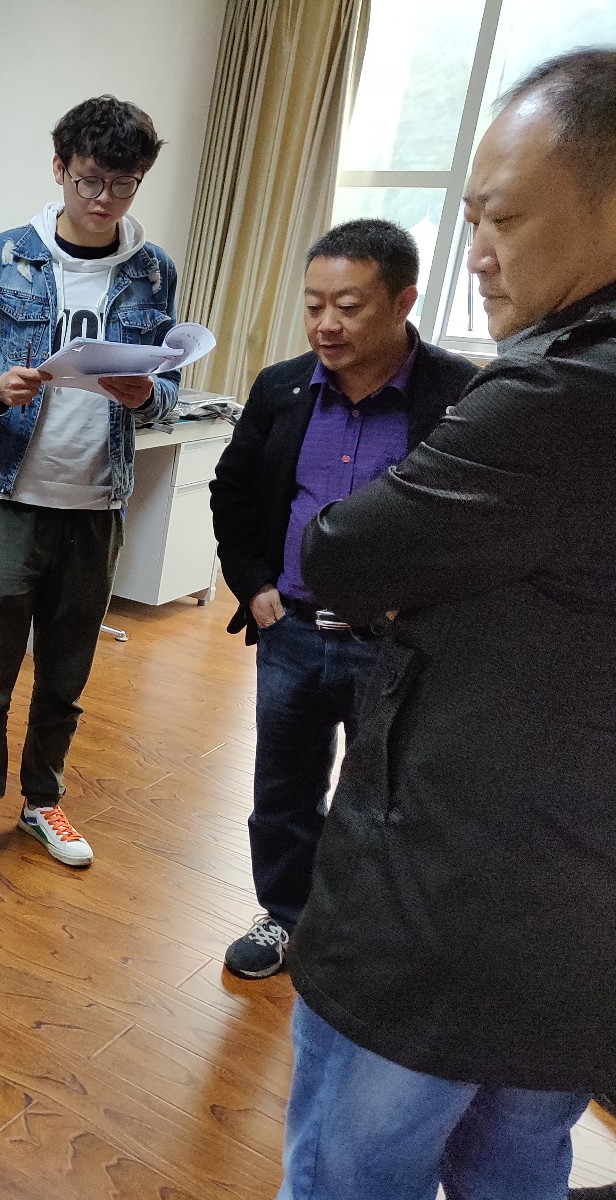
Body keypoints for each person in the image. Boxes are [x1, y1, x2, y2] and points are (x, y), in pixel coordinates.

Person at [277, 48, 616, 1200]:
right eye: (469, 219)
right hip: (575, 892)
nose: (477, 250)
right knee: (519, 1153)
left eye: (503, 219)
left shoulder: (557, 390)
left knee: (350, 1165)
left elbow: (344, 550)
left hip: (452, 886)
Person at [208, 219, 476, 980]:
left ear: (403, 302)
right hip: (291, 632)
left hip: (395, 647)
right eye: (314, 304)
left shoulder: (459, 395)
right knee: (282, 792)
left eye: (349, 306)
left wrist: (420, 609)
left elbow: (473, 527)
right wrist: (255, 585)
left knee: (384, 799)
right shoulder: (282, 387)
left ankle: (358, 933)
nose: (326, 324)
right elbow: (233, 491)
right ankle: (285, 915)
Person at [0, 96, 179, 888]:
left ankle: (42, 802)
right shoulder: (6, 256)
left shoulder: (152, 270)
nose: (105, 199)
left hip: (97, 504)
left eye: (124, 184)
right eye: (90, 180)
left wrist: (151, 397)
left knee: (65, 681)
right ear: (60, 168)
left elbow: (167, 387)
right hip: (11, 496)